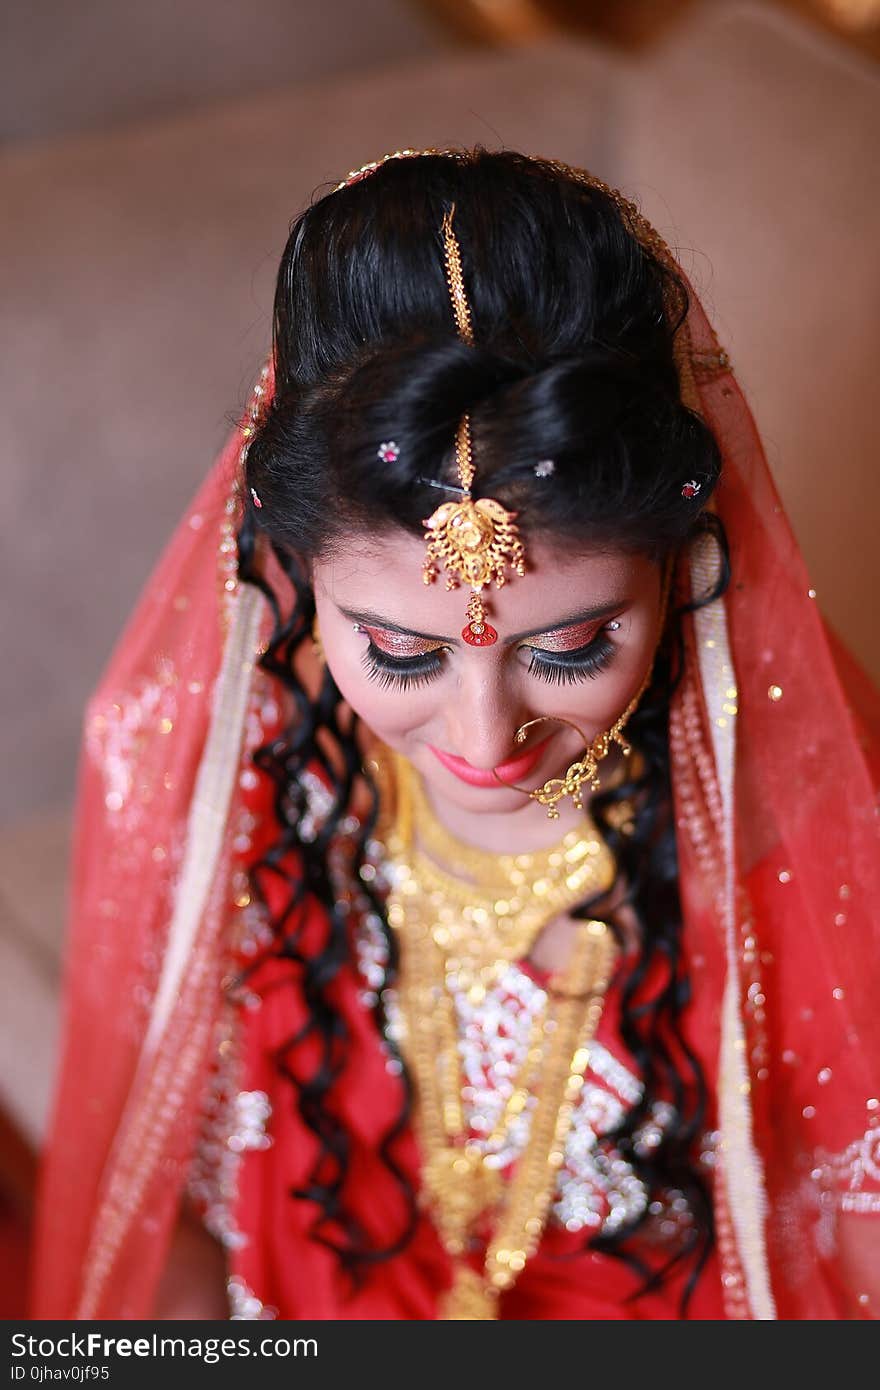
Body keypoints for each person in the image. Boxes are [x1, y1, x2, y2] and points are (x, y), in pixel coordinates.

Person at [29, 147, 880, 1321]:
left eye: (572, 646)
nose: (486, 736)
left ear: (682, 572)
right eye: (401, 653)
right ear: (291, 574)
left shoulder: (810, 854)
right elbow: (157, 1226)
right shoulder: (247, 789)